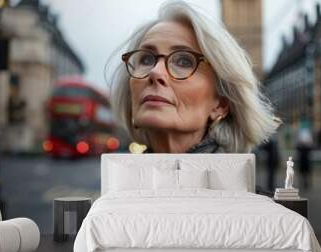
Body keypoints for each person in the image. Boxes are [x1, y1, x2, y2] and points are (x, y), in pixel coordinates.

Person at [108, 0, 280, 154]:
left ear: (220, 104)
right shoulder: (117, 187)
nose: (155, 72)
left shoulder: (242, 190)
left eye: (183, 61)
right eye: (146, 59)